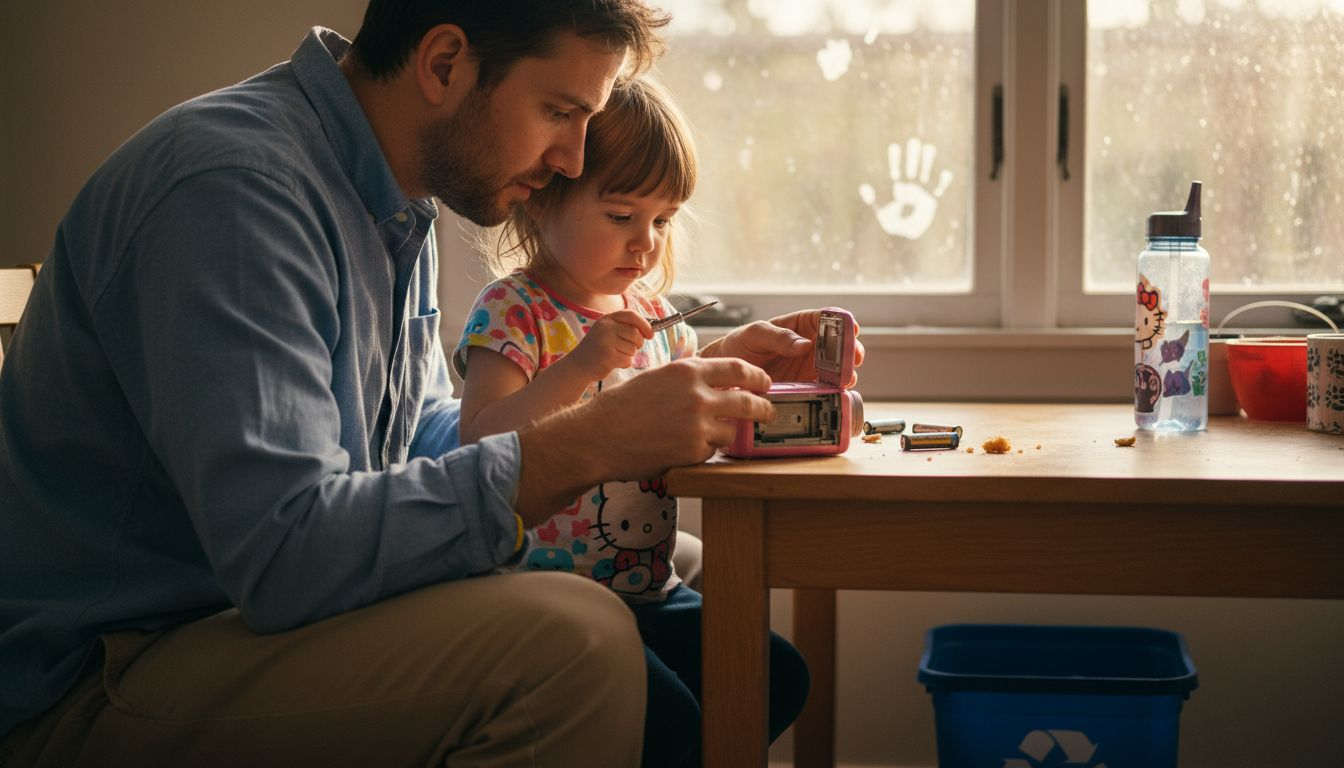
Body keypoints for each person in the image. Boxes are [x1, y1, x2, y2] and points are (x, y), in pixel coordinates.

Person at [0, 2, 863, 766]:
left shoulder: (388, 199)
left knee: (669, 565)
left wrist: (665, 393)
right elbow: (285, 552)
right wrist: (589, 442)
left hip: (232, 618)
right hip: (109, 668)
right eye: (560, 111)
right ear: (445, 62)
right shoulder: (235, 192)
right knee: (578, 643)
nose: (572, 158)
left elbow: (412, 440)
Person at [455, 76, 818, 767]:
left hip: (650, 590)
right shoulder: (513, 310)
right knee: (669, 719)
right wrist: (579, 366)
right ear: (541, 200)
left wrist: (738, 360)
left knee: (777, 676)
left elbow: (679, 410)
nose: (645, 243)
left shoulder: (654, 314)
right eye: (621, 215)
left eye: (664, 220)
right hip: (541, 601)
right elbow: (480, 442)